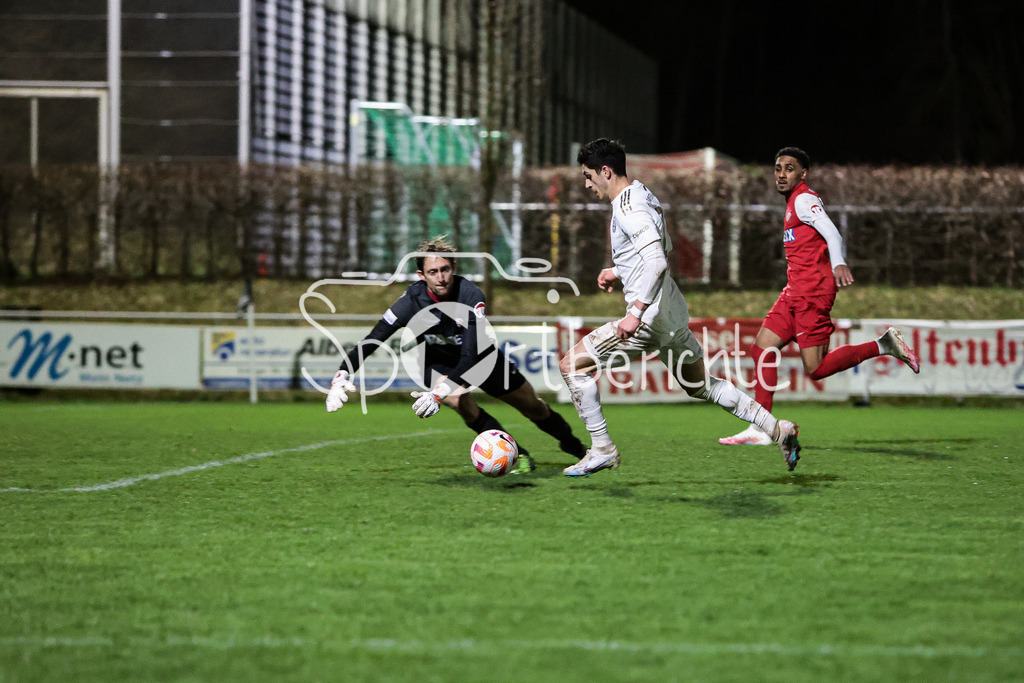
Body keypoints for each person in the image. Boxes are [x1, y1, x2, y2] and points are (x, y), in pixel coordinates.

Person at [559, 138, 802, 477]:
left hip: (649, 319)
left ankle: (602, 449)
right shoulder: (643, 194)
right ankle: (777, 429)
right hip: (672, 310)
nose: (587, 184)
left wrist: (635, 313)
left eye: (588, 176)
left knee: (573, 366)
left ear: (605, 171)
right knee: (700, 385)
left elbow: (656, 262)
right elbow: (658, 249)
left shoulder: (629, 209)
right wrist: (619, 270)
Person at [325, 236, 585, 473]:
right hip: (437, 361)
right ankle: (517, 457)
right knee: (462, 405)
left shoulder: (471, 296)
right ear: (421, 275)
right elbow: (373, 339)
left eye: (445, 270)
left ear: (454, 268)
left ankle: (576, 448)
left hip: (482, 358)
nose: (441, 277)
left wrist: (438, 394)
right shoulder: (409, 303)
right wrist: (342, 374)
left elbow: (470, 357)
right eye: (433, 272)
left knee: (533, 407)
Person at [719, 147, 920, 446]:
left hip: (812, 293)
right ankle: (761, 427)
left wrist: (838, 261)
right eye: (777, 168)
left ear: (803, 173)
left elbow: (833, 233)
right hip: (794, 292)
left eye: (789, 168)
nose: (782, 174)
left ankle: (883, 344)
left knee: (816, 369)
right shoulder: (793, 203)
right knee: (762, 349)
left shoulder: (803, 199)